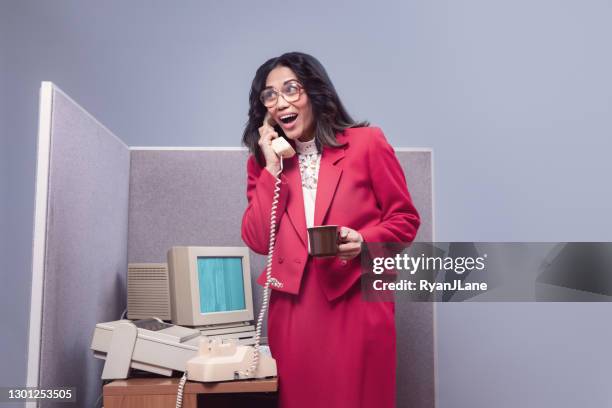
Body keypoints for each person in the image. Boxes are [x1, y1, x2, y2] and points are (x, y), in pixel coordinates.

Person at [241, 52, 420, 408]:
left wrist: (365, 242)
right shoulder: (263, 163)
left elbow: (405, 219)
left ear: (316, 93)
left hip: (355, 299)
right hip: (293, 308)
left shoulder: (367, 143)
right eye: (270, 95)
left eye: (291, 89)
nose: (281, 102)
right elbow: (259, 240)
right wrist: (271, 169)